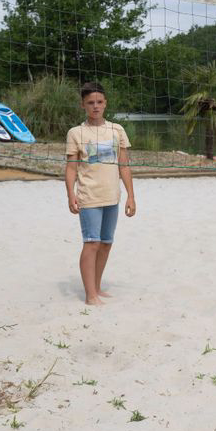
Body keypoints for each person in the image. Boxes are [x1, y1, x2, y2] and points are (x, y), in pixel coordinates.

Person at [65, 81, 136, 305]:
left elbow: (124, 165)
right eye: (90, 103)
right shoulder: (76, 132)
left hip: (112, 196)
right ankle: (90, 295)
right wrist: (70, 194)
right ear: (83, 105)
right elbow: (71, 168)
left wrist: (131, 196)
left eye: (99, 102)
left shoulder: (117, 130)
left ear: (105, 104)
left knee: (106, 243)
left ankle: (96, 287)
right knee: (92, 243)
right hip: (89, 196)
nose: (95, 106)